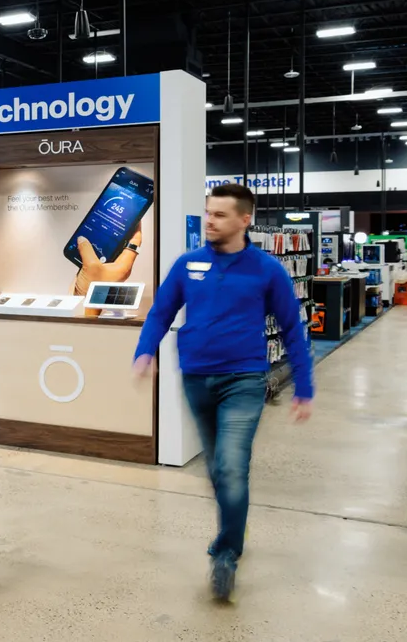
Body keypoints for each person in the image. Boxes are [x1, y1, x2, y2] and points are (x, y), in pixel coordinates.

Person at [132, 183, 313, 601]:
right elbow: (161, 312)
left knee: (231, 468)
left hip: (244, 380)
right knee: (217, 469)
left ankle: (226, 552)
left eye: (219, 215)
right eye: (208, 212)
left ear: (244, 220)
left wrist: (303, 385)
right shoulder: (188, 264)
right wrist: (145, 351)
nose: (209, 221)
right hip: (195, 377)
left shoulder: (267, 269)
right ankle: (237, 517)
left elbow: (291, 329)